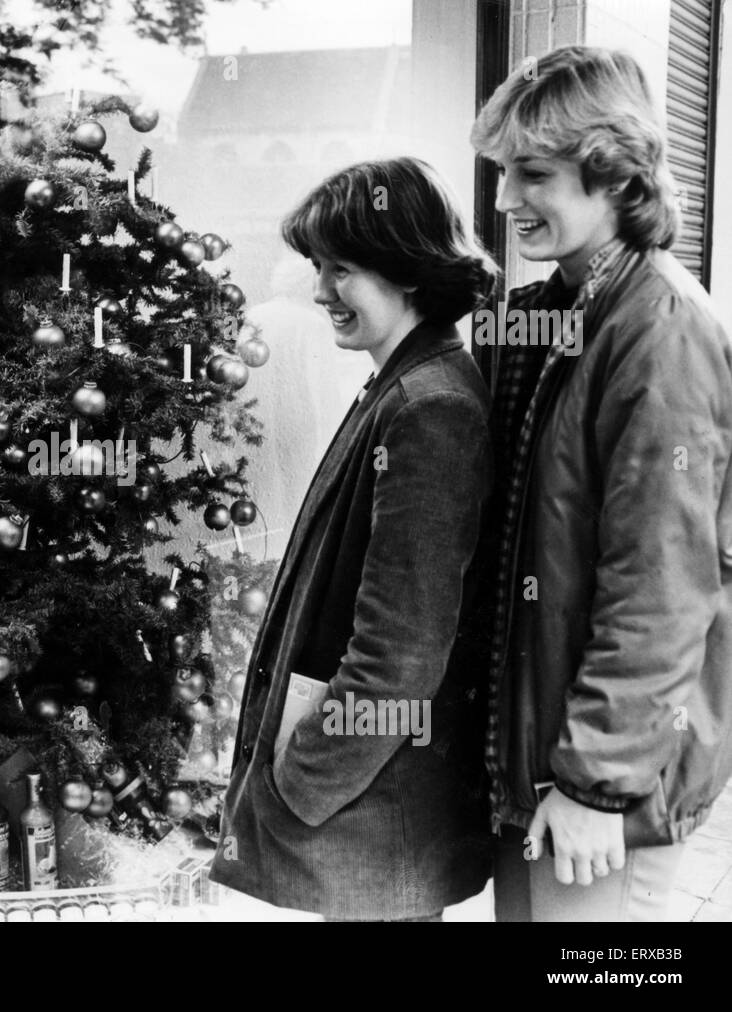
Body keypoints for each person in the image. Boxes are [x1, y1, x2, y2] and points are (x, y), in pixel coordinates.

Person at [470, 45, 732, 921]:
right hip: (546, 763)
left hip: (600, 786)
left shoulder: (658, 326)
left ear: (616, 174)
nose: (507, 200)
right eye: (504, 172)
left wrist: (596, 785)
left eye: (532, 173)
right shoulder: (567, 308)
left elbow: (661, 586)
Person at [208, 157, 497, 920]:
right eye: (318, 268)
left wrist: (299, 781)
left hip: (375, 823)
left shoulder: (429, 406)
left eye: (342, 270)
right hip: (371, 822)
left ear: (407, 270)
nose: (321, 291)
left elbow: (399, 656)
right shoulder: (405, 382)